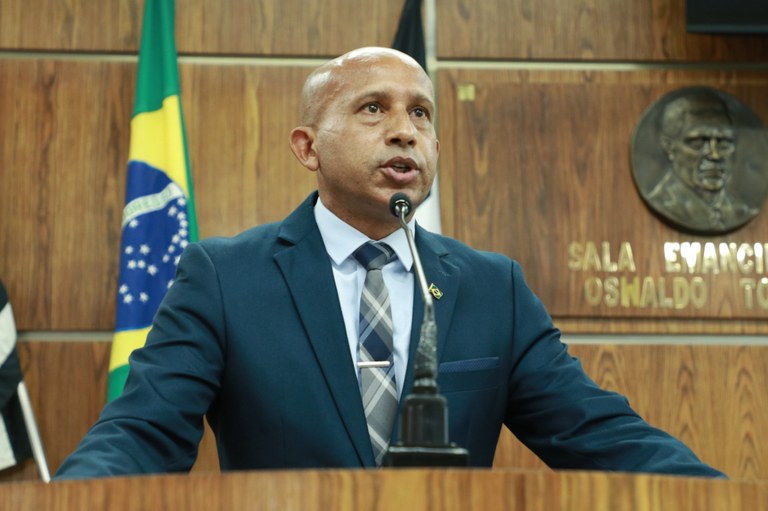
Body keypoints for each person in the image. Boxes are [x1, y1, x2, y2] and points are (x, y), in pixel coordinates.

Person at [55, 47, 724, 478]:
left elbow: (598, 433)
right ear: (308, 147)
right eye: (373, 109)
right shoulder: (225, 278)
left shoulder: (492, 287)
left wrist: (722, 497)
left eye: (421, 114)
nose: (405, 130)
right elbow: (143, 431)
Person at [646, 89, 757, 233]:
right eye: (697, 142)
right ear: (669, 147)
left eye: (724, 142)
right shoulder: (661, 204)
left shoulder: (742, 212)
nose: (714, 155)